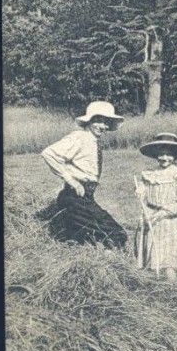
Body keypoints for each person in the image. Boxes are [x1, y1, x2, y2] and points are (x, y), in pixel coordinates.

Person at [41, 101, 127, 249]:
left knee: (82, 241)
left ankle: (97, 265)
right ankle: (108, 267)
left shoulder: (93, 141)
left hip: (85, 196)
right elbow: (48, 154)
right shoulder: (79, 137)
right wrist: (72, 181)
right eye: (98, 121)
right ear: (89, 120)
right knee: (116, 234)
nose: (102, 126)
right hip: (75, 196)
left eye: (106, 123)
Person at [134, 133, 177, 280]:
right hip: (151, 215)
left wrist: (163, 213)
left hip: (172, 220)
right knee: (153, 249)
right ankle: (152, 281)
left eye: (168, 155)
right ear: (155, 155)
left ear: (175, 157)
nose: (164, 158)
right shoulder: (149, 174)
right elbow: (144, 191)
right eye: (161, 154)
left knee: (169, 255)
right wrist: (140, 190)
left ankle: (171, 285)